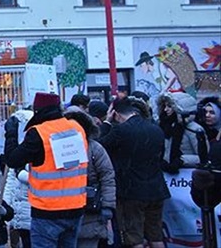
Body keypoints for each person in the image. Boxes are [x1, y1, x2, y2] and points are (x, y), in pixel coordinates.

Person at [5, 93, 88, 248]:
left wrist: (11, 133)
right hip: (76, 208)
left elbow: (12, 160)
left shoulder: (39, 133)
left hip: (47, 211)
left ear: (38, 111)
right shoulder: (77, 129)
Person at [99, 97, 169, 248]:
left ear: (115, 114)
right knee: (156, 235)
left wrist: (106, 123)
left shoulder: (120, 130)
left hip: (131, 191)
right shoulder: (156, 129)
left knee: (133, 237)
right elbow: (161, 156)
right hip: (156, 188)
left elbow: (99, 147)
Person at [63, 110, 115, 248]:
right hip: (68, 209)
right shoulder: (94, 148)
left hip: (89, 209)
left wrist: (108, 206)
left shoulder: (95, 149)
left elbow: (107, 177)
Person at [3, 108, 33, 248]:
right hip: (19, 213)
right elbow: (9, 181)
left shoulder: (35, 147)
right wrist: (6, 204)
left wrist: (21, 173)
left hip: (33, 212)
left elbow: (42, 178)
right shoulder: (15, 153)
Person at [157, 92, 207, 171]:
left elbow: (204, 157)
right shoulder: (166, 126)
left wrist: (181, 160)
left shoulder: (195, 129)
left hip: (187, 175)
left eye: (169, 106)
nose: (165, 109)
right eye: (164, 106)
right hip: (169, 175)